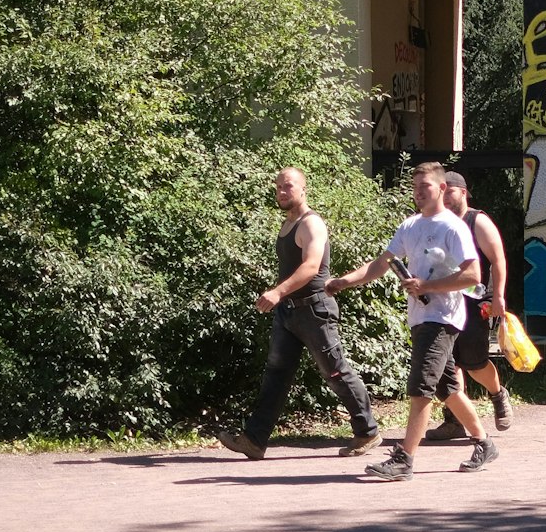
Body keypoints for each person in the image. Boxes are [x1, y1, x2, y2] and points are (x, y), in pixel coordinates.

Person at [327, 162, 500, 480]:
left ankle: (404, 459)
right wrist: (345, 281)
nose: (419, 193)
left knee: (420, 388)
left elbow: (473, 275)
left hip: (442, 318)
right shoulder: (410, 226)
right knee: (448, 388)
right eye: (416, 188)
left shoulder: (453, 228)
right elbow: (382, 264)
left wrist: (427, 286)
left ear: (442, 189)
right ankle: (484, 443)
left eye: (426, 188)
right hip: (420, 317)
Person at [216, 167, 382, 460]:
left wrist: (278, 292)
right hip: (288, 314)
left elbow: (311, 267)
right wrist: (282, 298)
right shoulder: (287, 225)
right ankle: (254, 441)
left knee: (335, 371)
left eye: (288, 186)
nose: (282, 191)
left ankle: (367, 431)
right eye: (278, 186)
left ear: (303, 189)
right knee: (276, 374)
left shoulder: (311, 224)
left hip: (314, 310)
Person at [425, 171, 513, 441]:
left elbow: (497, 261)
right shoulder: (437, 223)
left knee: (474, 363)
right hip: (443, 301)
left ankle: (498, 395)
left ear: (464, 192)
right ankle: (453, 421)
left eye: (450, 192)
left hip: (475, 301)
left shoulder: (478, 221)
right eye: (443, 192)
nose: (446, 198)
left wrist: (497, 296)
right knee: (448, 363)